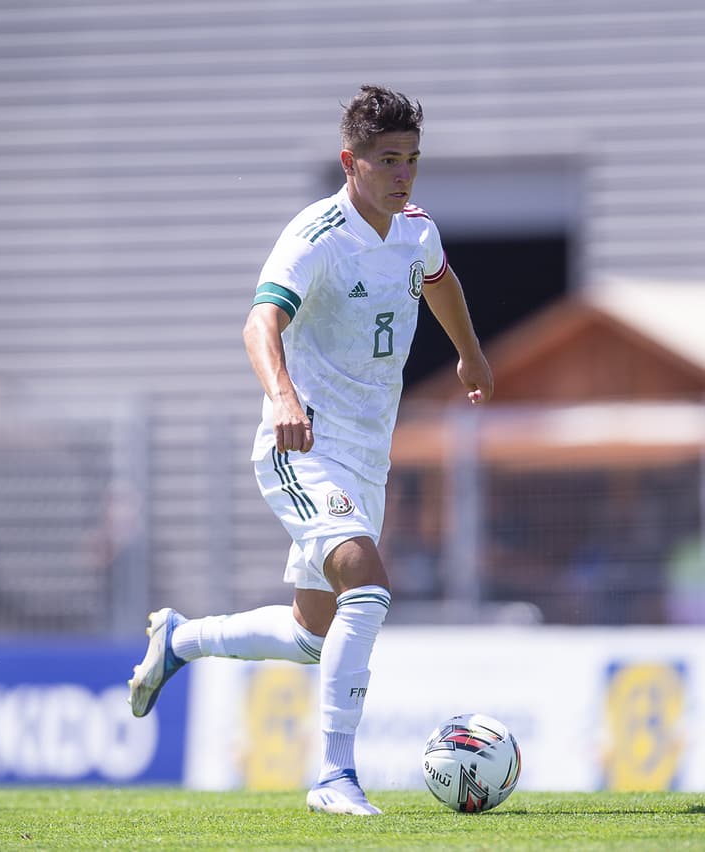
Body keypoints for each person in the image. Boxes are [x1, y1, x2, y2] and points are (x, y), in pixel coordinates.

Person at [127, 85, 493, 815]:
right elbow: (259, 326)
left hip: (366, 454)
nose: (403, 175)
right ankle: (333, 777)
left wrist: (470, 355)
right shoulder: (316, 235)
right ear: (349, 162)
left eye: (412, 160)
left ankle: (182, 639)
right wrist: (284, 398)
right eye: (388, 160)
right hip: (304, 444)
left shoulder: (417, 230)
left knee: (311, 633)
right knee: (369, 587)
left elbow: (440, 281)